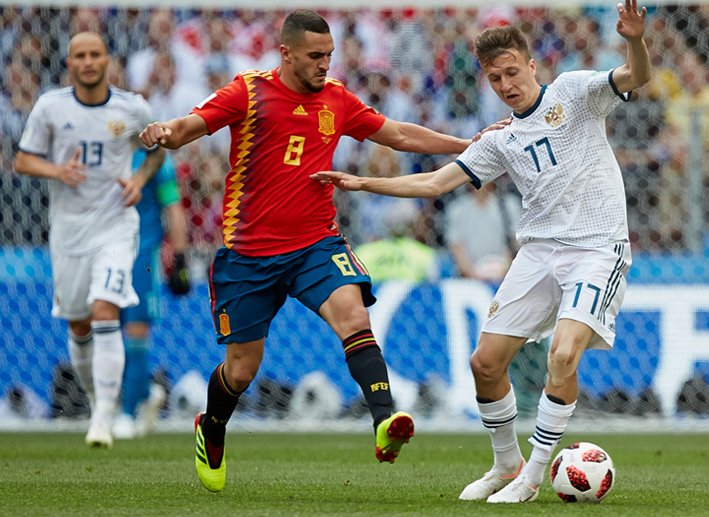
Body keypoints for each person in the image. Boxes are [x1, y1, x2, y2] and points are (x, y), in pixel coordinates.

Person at [312, 0, 650, 503]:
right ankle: (505, 464)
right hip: (538, 252)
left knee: (562, 353)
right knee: (484, 363)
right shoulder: (501, 141)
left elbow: (636, 76)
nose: (506, 84)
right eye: (495, 79)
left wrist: (635, 39)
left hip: (597, 248)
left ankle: (533, 477)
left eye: (512, 72)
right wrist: (362, 182)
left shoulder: (576, 93)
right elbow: (433, 184)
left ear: (532, 66)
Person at [139, 10, 477, 493]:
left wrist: (466, 144)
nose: (324, 65)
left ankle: (385, 421)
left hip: (315, 242)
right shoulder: (249, 91)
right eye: (316, 57)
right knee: (241, 369)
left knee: (353, 316)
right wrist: (165, 131)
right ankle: (211, 427)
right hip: (249, 254)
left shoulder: (336, 99)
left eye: (329, 56)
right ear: (286, 53)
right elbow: (193, 124)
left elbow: (398, 134)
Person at [14, 32, 165, 448]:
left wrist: (137, 180)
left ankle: (102, 418)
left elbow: (157, 151)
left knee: (105, 311)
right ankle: (101, 400)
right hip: (67, 233)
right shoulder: (50, 106)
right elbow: (22, 159)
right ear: (69, 63)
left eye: (95, 54)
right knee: (79, 324)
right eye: (79, 55)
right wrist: (57, 171)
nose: (87, 61)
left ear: (107, 60)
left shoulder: (132, 108)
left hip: (116, 226)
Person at [113, 150, 190, 440]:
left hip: (143, 256)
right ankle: (144, 393)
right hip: (102, 251)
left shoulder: (156, 158)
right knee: (102, 330)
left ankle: (126, 414)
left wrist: (180, 259)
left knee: (135, 330)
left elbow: (173, 207)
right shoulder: (102, 146)